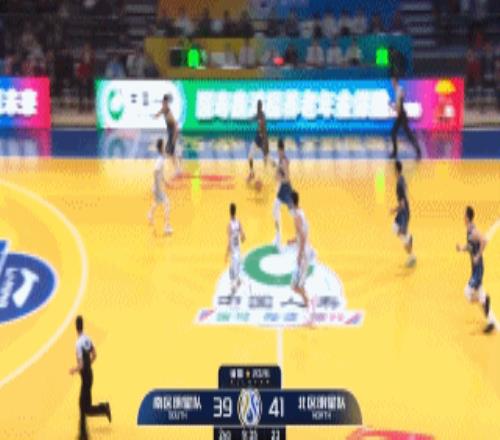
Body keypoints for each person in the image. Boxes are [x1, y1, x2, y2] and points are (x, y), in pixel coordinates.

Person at [456, 206, 497, 334]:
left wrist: (478, 255)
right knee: (479, 293)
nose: (463, 217)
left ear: (467, 217)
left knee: (467, 293)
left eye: (464, 215)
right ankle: (491, 321)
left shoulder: (473, 231)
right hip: (475, 268)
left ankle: (485, 300)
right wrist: (461, 248)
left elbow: (484, 241)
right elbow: (471, 245)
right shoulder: (468, 230)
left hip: (478, 269)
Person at [69, 316, 111, 440]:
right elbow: (94, 355)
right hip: (89, 375)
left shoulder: (78, 344)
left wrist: (74, 370)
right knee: (85, 406)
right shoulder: (87, 339)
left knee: (83, 406)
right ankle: (103, 408)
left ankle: (83, 434)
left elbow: (81, 364)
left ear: (76, 327)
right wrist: (88, 366)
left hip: (85, 378)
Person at [288, 190, 314, 317]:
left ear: (292, 202)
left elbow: (303, 236)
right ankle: (308, 303)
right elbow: (303, 234)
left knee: (296, 285)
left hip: (304, 254)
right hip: (306, 251)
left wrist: (299, 254)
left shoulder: (297, 217)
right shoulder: (301, 213)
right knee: (296, 285)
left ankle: (310, 307)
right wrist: (293, 240)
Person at [390, 160, 416, 267]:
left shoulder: (399, 184)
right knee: (394, 228)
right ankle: (408, 237)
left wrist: (394, 210)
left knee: (401, 233)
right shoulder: (402, 179)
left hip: (403, 213)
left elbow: (402, 204)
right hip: (404, 211)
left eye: (393, 169)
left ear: (396, 170)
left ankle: (412, 256)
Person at [390, 76, 422, 159]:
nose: (391, 83)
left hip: (402, 115)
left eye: (392, 81)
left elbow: (400, 104)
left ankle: (418, 151)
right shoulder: (397, 90)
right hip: (400, 115)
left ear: (395, 81)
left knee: (408, 134)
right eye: (391, 81)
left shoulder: (399, 90)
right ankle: (395, 152)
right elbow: (398, 105)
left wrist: (394, 107)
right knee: (393, 133)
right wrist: (393, 107)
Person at [148, 139, 173, 235]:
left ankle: (150, 215)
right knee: (167, 203)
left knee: (157, 201)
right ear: (162, 147)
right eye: (164, 145)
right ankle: (166, 227)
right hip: (157, 187)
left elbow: (160, 173)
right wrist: (158, 186)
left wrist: (165, 182)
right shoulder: (160, 160)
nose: (165, 146)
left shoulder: (161, 158)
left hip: (156, 187)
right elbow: (155, 171)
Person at [273, 138, 293, 250]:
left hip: (287, 189)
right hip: (282, 190)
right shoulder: (280, 160)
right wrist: (276, 173)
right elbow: (277, 175)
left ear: (281, 150)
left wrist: (279, 177)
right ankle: (278, 237)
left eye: (278, 150)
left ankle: (302, 236)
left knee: (293, 214)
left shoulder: (284, 161)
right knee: (275, 210)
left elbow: (287, 178)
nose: (278, 152)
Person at [155, 94, 182, 177]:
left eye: (164, 103)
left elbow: (176, 126)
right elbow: (158, 114)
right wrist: (155, 115)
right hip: (170, 134)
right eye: (162, 103)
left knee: (170, 153)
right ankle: (178, 167)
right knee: (171, 152)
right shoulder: (164, 109)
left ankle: (177, 170)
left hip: (173, 134)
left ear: (167, 103)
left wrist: (174, 138)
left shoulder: (169, 114)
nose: (163, 105)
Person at [226, 203, 246, 295]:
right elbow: (243, 237)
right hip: (238, 250)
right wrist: (240, 237)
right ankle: (237, 283)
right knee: (236, 269)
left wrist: (226, 253)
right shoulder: (239, 222)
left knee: (232, 271)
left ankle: (233, 288)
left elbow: (229, 241)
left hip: (233, 251)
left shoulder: (229, 225)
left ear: (229, 212)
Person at [247, 99, 269, 182]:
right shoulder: (258, 114)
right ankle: (252, 173)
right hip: (257, 139)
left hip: (262, 140)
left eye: (259, 105)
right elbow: (253, 118)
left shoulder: (262, 116)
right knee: (250, 157)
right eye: (257, 105)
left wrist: (264, 141)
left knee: (266, 158)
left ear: (261, 106)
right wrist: (250, 120)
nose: (258, 107)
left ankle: (265, 175)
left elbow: (263, 126)